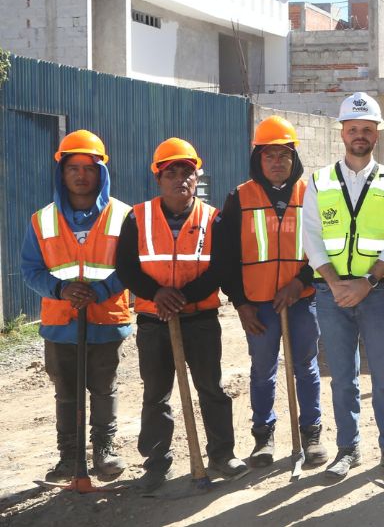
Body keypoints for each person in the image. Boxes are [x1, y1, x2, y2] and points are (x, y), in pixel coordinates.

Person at [115, 138, 247, 492]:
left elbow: (221, 268)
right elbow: (125, 267)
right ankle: (157, 463)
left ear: (196, 176)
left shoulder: (213, 218)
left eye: (186, 172)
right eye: (171, 172)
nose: (179, 179)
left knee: (211, 389)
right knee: (156, 394)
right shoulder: (136, 217)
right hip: (153, 320)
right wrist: (157, 294)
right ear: (158, 178)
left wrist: (183, 297)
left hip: (201, 319)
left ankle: (222, 454)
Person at [302, 92, 384, 482]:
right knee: (344, 378)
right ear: (342, 133)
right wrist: (334, 283)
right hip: (331, 296)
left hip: (377, 292)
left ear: (376, 135)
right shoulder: (319, 181)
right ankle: (347, 449)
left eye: (367, 129)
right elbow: (311, 237)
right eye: (353, 129)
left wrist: (366, 282)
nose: (360, 135)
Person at [213, 116, 326, 470]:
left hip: (301, 299)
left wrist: (300, 282)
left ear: (294, 158)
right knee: (262, 370)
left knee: (306, 367)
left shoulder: (311, 195)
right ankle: (264, 436)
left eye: (283, 155)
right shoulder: (239, 198)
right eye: (269, 155)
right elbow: (226, 257)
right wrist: (241, 303)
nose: (277, 162)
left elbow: (325, 247)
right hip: (258, 306)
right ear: (258, 159)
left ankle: (312, 434)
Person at [21, 130, 132, 481]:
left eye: (89, 167)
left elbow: (131, 267)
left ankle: (104, 452)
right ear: (61, 173)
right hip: (60, 322)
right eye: (73, 167)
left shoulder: (123, 216)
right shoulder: (42, 220)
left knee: (103, 387)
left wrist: (98, 293)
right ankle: (69, 458)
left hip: (106, 319)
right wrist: (61, 289)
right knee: (66, 391)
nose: (81, 175)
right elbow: (30, 269)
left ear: (101, 173)